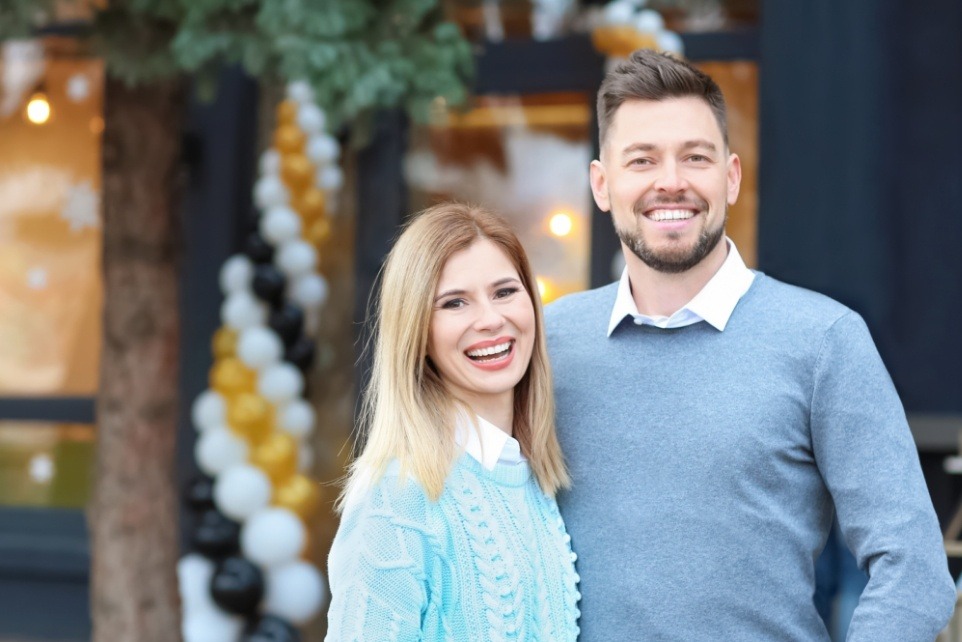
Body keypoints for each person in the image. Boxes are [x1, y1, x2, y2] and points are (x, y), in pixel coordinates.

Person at [544, 49, 955, 641]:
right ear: (602, 185)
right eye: (642, 160)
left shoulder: (823, 341)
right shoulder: (551, 342)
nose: (671, 181)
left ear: (730, 177)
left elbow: (914, 567)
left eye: (695, 157)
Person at [325, 202, 580, 640]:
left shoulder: (531, 479)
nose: (491, 320)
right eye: (454, 303)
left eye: (504, 292)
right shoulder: (399, 498)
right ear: (418, 333)